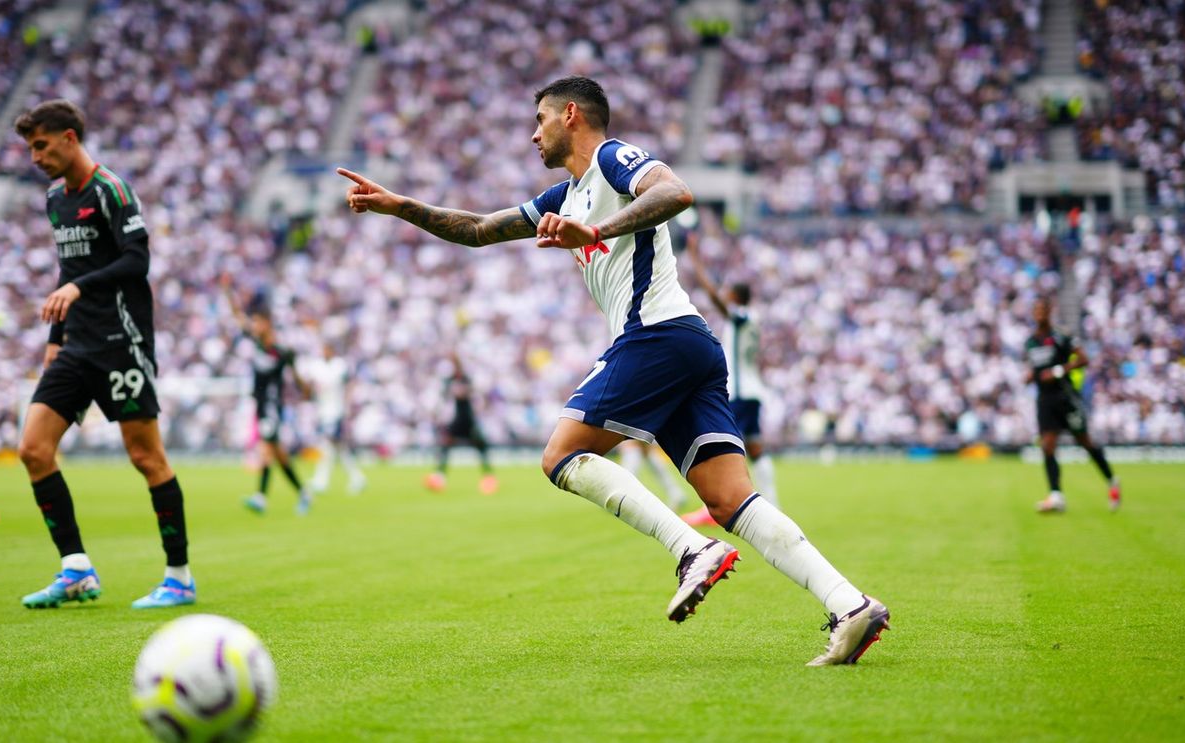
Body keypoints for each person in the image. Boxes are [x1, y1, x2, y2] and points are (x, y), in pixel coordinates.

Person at [338, 75, 888, 665]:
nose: (533, 135)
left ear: (570, 114)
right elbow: (476, 230)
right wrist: (401, 207)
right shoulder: (562, 198)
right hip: (687, 344)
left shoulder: (610, 158)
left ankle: (687, 548)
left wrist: (596, 230)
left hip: (656, 334)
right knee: (731, 500)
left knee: (560, 455)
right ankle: (849, 604)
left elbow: (675, 193)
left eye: (540, 120)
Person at [13, 99, 195, 609]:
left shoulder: (112, 190)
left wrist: (78, 290)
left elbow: (137, 262)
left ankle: (179, 576)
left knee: (146, 457)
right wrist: (55, 340)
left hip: (122, 342)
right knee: (33, 449)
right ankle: (75, 569)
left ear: (69, 138)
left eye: (41, 145)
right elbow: (68, 271)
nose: (35, 156)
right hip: (76, 345)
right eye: (31, 148)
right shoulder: (56, 199)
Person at [682, 233, 779, 529]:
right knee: (755, 447)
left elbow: (714, 298)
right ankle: (772, 504)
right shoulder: (750, 320)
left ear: (735, 297)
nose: (722, 294)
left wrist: (696, 261)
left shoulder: (743, 317)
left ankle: (714, 506)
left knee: (719, 445)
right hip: (751, 391)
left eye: (727, 292)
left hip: (740, 392)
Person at [221, 276, 315, 515]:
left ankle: (261, 497)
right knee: (280, 455)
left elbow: (297, 380)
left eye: (257, 322)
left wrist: (306, 389)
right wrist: (226, 291)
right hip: (260, 405)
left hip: (272, 406)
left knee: (265, 449)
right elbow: (237, 316)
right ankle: (304, 492)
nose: (253, 325)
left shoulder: (282, 352)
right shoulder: (257, 344)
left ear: (267, 324)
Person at [1025, 298, 1119, 513]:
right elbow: (1037, 368)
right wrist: (1031, 376)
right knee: (1047, 445)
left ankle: (1112, 480)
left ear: (1049, 311)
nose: (1039, 314)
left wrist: (1059, 371)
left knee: (1085, 443)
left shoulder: (1061, 336)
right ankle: (1056, 495)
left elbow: (1083, 359)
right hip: (1045, 400)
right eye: (1036, 310)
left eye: (1042, 310)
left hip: (1065, 397)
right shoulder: (1030, 341)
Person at [425, 353, 499, 495]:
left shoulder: (465, 379)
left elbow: (470, 392)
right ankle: (440, 476)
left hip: (468, 419)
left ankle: (488, 476)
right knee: (445, 445)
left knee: (481, 446)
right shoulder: (450, 380)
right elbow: (444, 395)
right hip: (458, 420)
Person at [304, 342, 367, 496]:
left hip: (335, 411)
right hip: (323, 411)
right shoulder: (317, 366)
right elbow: (310, 386)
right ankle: (355, 477)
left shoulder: (339, 366)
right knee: (336, 447)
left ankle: (323, 479)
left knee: (329, 444)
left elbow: (349, 384)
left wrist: (346, 406)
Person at [617, 440, 686, 511]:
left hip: (637, 443)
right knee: (630, 472)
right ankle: (622, 499)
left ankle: (622, 500)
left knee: (629, 472)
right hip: (636, 443)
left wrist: (644, 446)